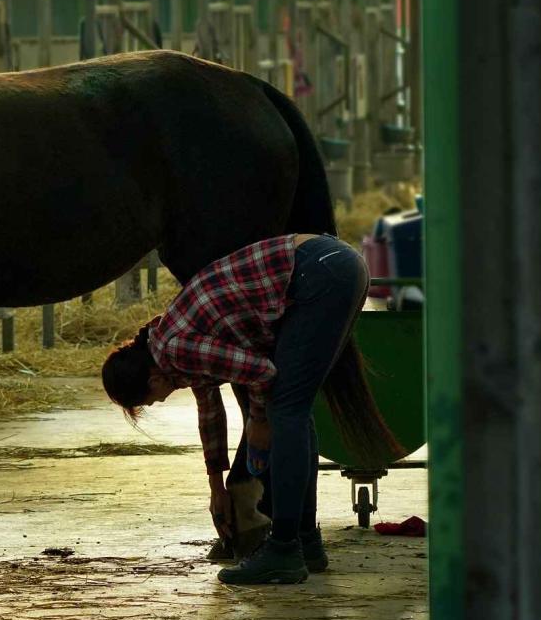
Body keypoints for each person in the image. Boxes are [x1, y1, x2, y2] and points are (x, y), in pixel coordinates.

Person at [101, 234, 402, 585]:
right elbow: (210, 413)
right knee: (294, 408)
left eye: (150, 399)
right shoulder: (169, 343)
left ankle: (284, 549)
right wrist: (217, 487)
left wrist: (258, 422)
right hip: (332, 266)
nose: (160, 401)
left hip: (319, 273)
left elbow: (261, 371)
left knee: (284, 409)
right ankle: (306, 543)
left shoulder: (176, 348)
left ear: (151, 378)